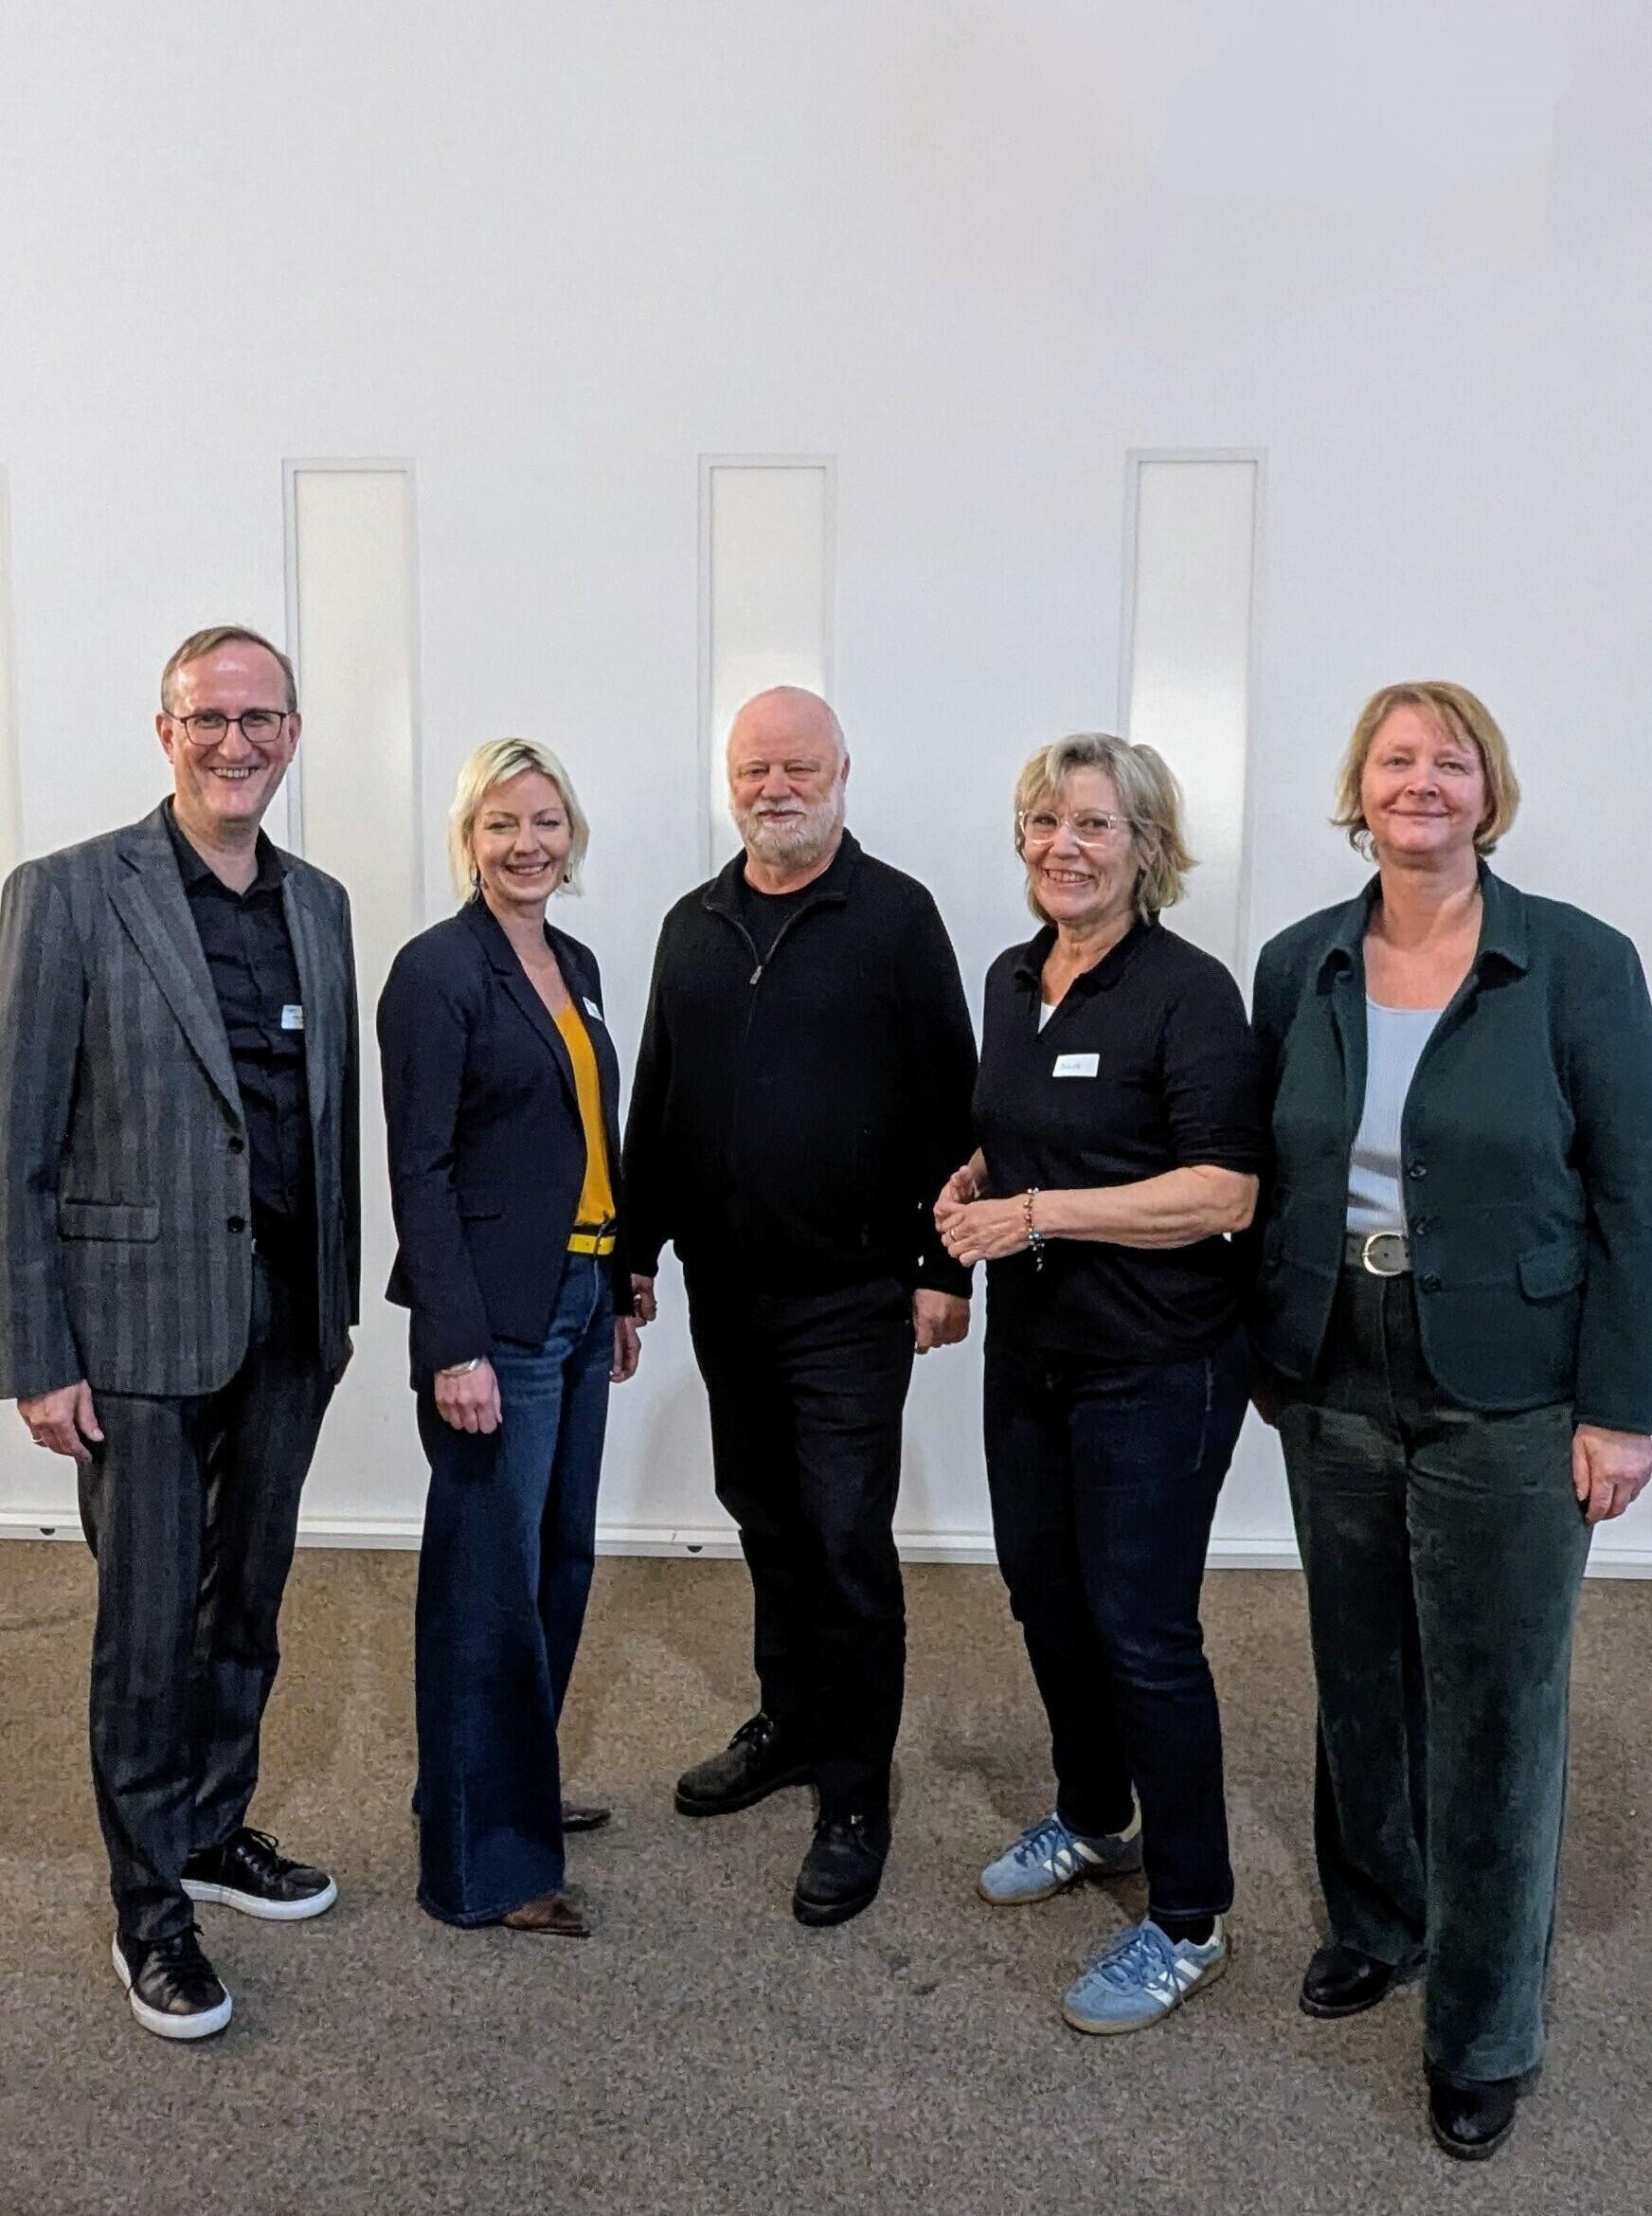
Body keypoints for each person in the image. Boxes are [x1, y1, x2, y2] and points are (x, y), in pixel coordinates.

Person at [1249, 681, 1652, 2160]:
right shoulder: (1299, 962)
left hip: (1513, 1380)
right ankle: (1378, 1919)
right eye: (1395, 757)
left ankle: (1483, 2028)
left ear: (1491, 789)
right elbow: (1265, 1167)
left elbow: (1636, 1194)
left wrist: (1624, 1409)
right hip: (1335, 1364)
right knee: (1359, 1671)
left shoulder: (1578, 961)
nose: (1422, 780)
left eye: (1451, 759)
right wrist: (1270, 1351)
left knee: (1496, 1705)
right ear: (1358, 788)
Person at [0, 625, 359, 2041]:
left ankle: (212, 1828)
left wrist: (332, 1312)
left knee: (246, 1605)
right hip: (133, 1333)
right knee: (147, 1634)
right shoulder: (68, 892)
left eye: (260, 718)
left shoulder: (320, 904)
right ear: (166, 733)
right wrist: (35, 1351)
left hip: (284, 1327)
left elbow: (328, 1120)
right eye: (208, 718)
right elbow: (16, 1143)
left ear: (292, 733)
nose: (235, 742)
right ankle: (149, 1911)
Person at [622, 686, 977, 1927]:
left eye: (798, 767)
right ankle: (789, 1720)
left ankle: (855, 1795)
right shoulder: (693, 923)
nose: (775, 787)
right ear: (731, 782)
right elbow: (660, 1097)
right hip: (728, 1292)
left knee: (843, 1539)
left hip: (852, 1295)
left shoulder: (898, 917)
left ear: (840, 773)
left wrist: (947, 1268)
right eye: (754, 769)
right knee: (766, 1519)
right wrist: (632, 1251)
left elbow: (949, 1101)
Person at [935, 733, 1263, 2036]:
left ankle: (1189, 1916)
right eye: (1043, 821)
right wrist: (983, 1170)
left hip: (1159, 1358)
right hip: (1036, 1352)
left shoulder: (1189, 990)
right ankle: (1093, 1811)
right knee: (1046, 1596)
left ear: (1145, 845)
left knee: (1142, 1628)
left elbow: (1222, 1190)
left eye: (1092, 824)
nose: (1062, 845)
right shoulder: (1015, 977)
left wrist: (1036, 1211)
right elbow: (1034, 1124)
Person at [378, 738, 639, 1937]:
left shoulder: (573, 961)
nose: (526, 843)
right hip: (495, 1321)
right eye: (501, 824)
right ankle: (483, 1866)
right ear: (468, 841)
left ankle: (501, 1783)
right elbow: (420, 1172)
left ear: (570, 834)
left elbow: (590, 1134)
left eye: (544, 821)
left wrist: (620, 1280)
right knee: (487, 1585)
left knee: (558, 1561)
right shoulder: (436, 972)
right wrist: (454, 1345)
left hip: (579, 1296)